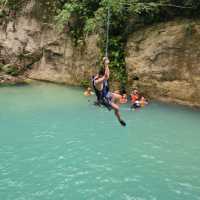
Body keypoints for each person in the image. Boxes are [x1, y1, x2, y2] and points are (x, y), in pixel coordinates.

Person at [93, 57, 126, 127]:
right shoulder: (97, 82)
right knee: (117, 108)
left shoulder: (101, 76)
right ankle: (120, 120)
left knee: (119, 96)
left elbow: (107, 74)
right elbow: (106, 76)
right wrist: (106, 64)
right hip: (103, 99)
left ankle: (112, 105)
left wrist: (105, 63)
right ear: (100, 76)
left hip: (107, 94)